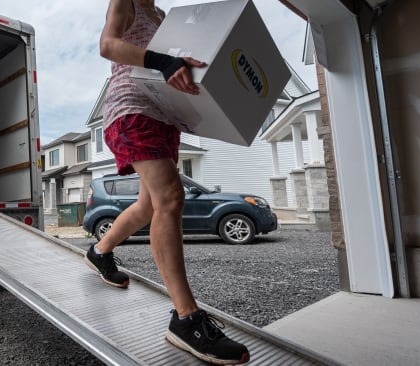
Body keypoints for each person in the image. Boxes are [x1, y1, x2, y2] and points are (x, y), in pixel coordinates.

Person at [85, 1, 250, 364]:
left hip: (164, 113)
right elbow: (108, 45)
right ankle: (185, 319)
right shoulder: (124, 2)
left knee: (149, 206)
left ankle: (99, 251)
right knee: (171, 198)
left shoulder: (163, 16)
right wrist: (164, 62)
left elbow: (177, 62)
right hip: (130, 109)